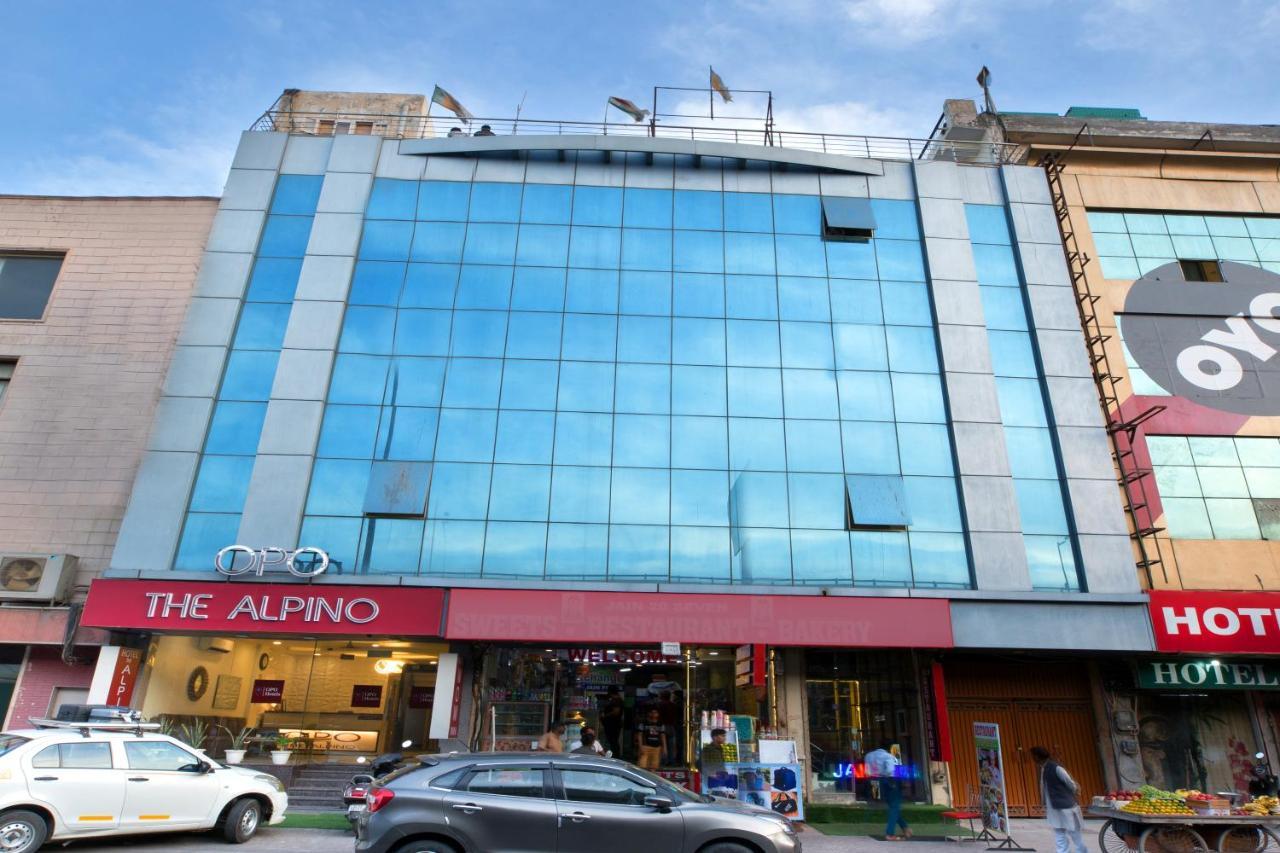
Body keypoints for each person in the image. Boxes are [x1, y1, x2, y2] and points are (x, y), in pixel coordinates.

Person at [1031, 746, 1088, 853]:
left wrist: (1074, 791)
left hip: (1066, 807)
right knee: (1060, 833)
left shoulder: (1056, 768)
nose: (1033, 759)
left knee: (1073, 832)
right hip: (1054, 808)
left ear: (1037, 756)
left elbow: (1070, 783)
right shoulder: (1043, 768)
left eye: (1033, 756)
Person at [865, 741, 910, 840]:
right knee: (894, 805)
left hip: (873, 781)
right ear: (888, 749)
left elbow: (867, 771)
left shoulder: (868, 756)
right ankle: (890, 833)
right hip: (888, 781)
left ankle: (905, 828)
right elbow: (890, 771)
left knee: (892, 807)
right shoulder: (888, 756)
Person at [600, 686, 624, 757]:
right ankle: (614, 755)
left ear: (610, 692)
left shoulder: (617, 700)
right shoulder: (613, 699)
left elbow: (616, 712)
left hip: (613, 724)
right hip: (611, 724)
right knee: (612, 741)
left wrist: (605, 715)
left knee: (613, 741)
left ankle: (615, 756)